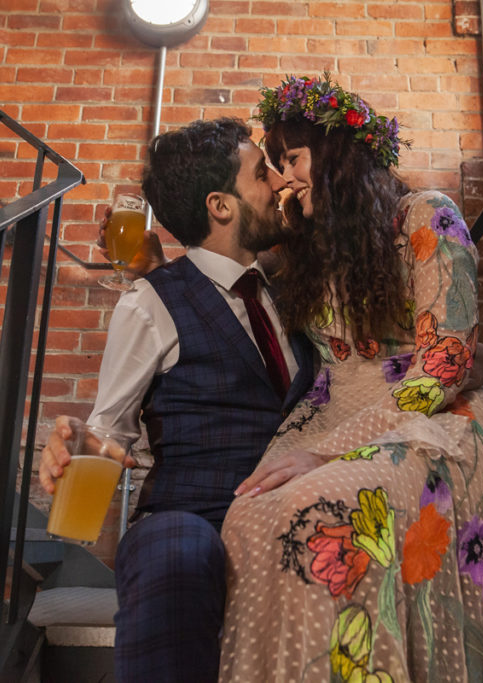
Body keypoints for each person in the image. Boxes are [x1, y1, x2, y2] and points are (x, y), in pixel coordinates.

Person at [217, 76, 483, 682]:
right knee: (245, 517)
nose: (283, 178)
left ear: (338, 160)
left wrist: (325, 453)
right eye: (274, 167)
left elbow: (447, 361)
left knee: (327, 505)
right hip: (327, 417)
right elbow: (229, 255)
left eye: (293, 159)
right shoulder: (306, 249)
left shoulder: (428, 217)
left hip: (427, 422)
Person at [38, 117, 316, 682]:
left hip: (292, 508)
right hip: (188, 512)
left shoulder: (293, 291)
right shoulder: (148, 303)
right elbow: (109, 435)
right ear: (221, 205)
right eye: (261, 173)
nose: (279, 184)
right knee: (175, 552)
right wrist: (74, 447)